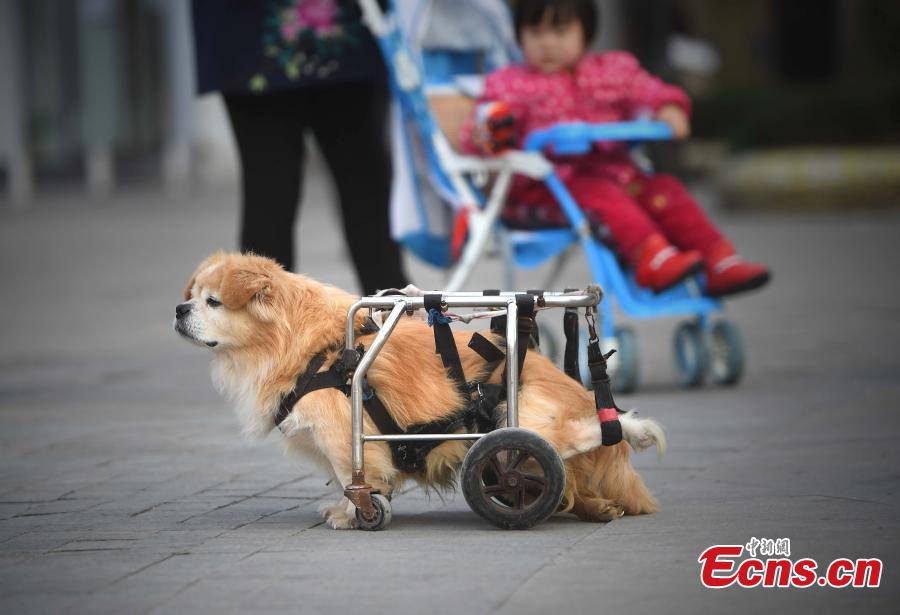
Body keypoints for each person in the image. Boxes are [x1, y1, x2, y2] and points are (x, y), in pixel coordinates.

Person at [460, 0, 769, 297]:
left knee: (665, 190)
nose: (547, 43)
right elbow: (485, 121)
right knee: (603, 196)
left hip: (617, 175)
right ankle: (652, 258)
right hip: (547, 186)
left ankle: (718, 259)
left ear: (586, 32)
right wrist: (485, 131)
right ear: (520, 37)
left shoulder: (612, 72)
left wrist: (668, 107)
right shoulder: (510, 84)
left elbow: (648, 90)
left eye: (560, 31)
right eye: (536, 33)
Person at [191, 0, 408, 295]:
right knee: (274, 193)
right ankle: (263, 330)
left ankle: (397, 326)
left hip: (333, 31)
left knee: (362, 186)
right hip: (264, 34)